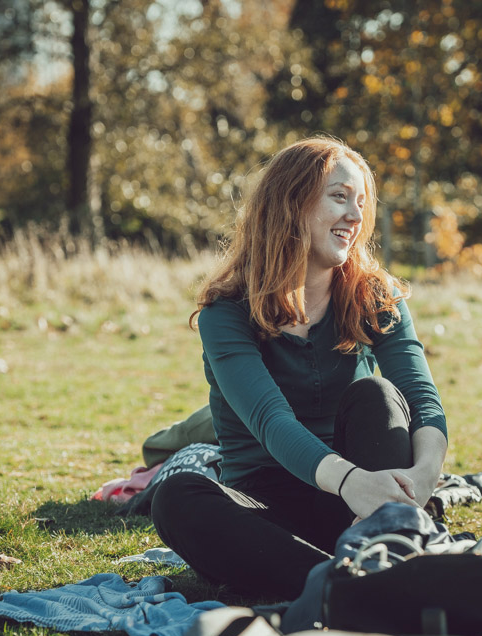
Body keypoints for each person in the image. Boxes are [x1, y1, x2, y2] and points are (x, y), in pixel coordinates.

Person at [151, 136, 448, 600]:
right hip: (268, 509)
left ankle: (381, 551)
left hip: (360, 501)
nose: (355, 216)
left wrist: (424, 477)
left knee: (378, 395)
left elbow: (420, 397)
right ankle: (355, 585)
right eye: (339, 197)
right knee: (177, 497)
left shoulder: (375, 297)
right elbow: (272, 422)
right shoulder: (227, 312)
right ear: (292, 204)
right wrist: (351, 483)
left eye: (361, 203)